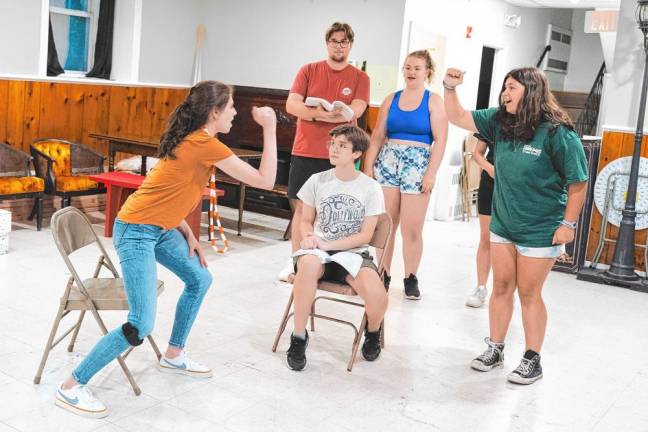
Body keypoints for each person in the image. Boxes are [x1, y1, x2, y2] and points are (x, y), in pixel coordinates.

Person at [55, 81, 278, 418]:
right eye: (231, 107)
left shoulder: (197, 141)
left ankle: (173, 353)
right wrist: (270, 128)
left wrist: (186, 229)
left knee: (199, 279)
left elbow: (165, 191)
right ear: (214, 112)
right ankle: (71, 385)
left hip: (159, 228)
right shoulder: (203, 143)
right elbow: (266, 181)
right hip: (135, 233)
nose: (234, 112)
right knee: (140, 324)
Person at [444, 66, 588, 384]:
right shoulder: (500, 121)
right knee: (500, 287)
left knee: (529, 293)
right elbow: (456, 117)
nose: (505, 93)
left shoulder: (556, 132)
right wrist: (450, 88)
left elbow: (578, 182)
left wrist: (569, 224)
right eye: (504, 87)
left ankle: (532, 358)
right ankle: (495, 349)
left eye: (512, 87)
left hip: (540, 229)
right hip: (504, 225)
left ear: (531, 91)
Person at [286, 125, 387, 371]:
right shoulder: (317, 180)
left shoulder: (370, 187)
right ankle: (298, 337)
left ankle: (372, 331)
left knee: (378, 297)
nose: (334, 149)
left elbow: (365, 234)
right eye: (332, 144)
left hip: (352, 253)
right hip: (318, 252)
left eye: (342, 145)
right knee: (308, 265)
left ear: (357, 153)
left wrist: (330, 244)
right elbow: (306, 219)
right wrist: (308, 236)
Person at [278, 21, 370, 283]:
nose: (338, 46)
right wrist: (321, 114)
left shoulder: (360, 77)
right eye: (334, 41)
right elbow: (292, 105)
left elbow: (357, 110)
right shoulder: (308, 70)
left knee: (334, 212)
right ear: (327, 43)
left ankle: (327, 262)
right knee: (301, 210)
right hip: (307, 149)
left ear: (350, 44)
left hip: (342, 154)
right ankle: (297, 261)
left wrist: (320, 116)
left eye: (344, 41)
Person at [363, 50, 448, 300]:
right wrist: (368, 167)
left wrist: (430, 174)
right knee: (386, 223)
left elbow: (441, 140)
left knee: (412, 228)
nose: (411, 72)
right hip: (388, 162)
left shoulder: (433, 101)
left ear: (427, 72)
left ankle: (411, 277)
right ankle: (383, 273)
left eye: (417, 68)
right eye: (408, 67)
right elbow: (377, 136)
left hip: (417, 164)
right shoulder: (392, 99)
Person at [465, 134, 494, 308]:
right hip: (490, 182)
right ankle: (481, 287)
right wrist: (489, 168)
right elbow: (477, 154)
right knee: (486, 238)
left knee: (510, 241)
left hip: (516, 185)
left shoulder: (530, 120)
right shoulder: (493, 120)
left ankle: (506, 288)